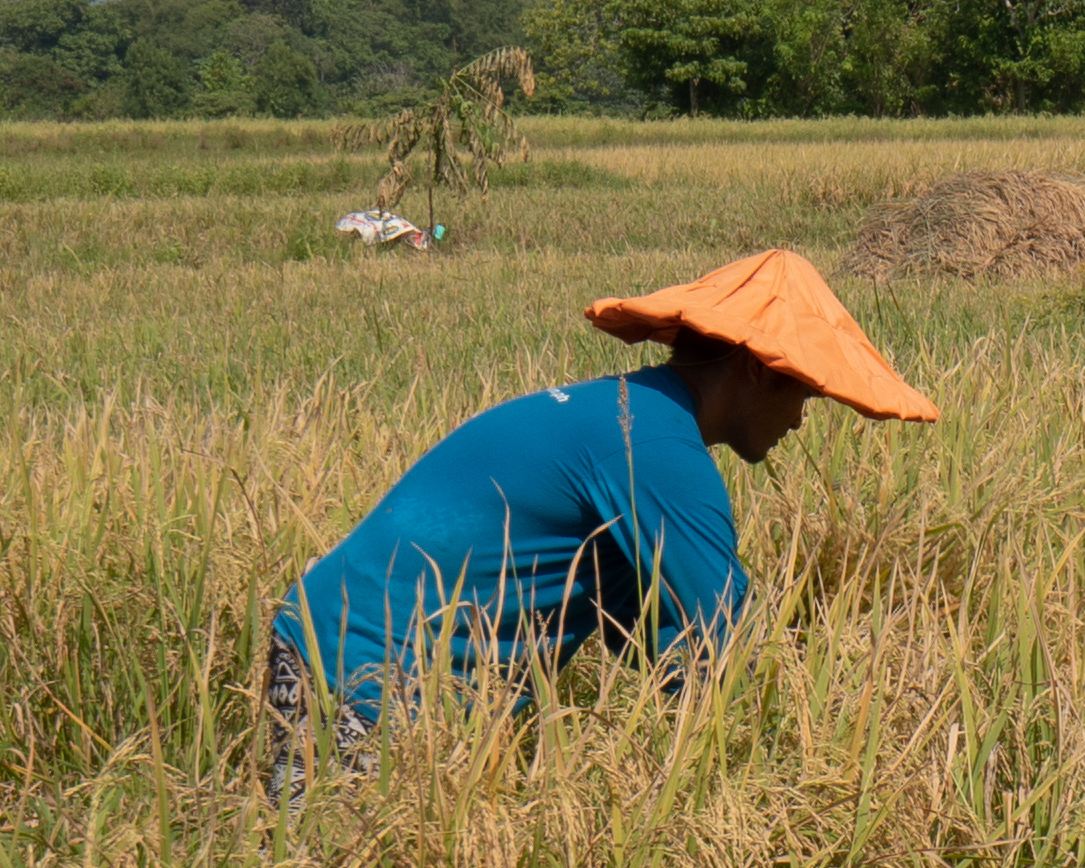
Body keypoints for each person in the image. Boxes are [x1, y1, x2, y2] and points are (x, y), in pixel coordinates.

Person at [265, 246, 937, 756]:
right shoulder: (652, 449)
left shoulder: (626, 415)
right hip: (370, 675)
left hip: (332, 640)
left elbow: (652, 630)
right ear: (758, 369)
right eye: (806, 393)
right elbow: (728, 646)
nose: (799, 420)